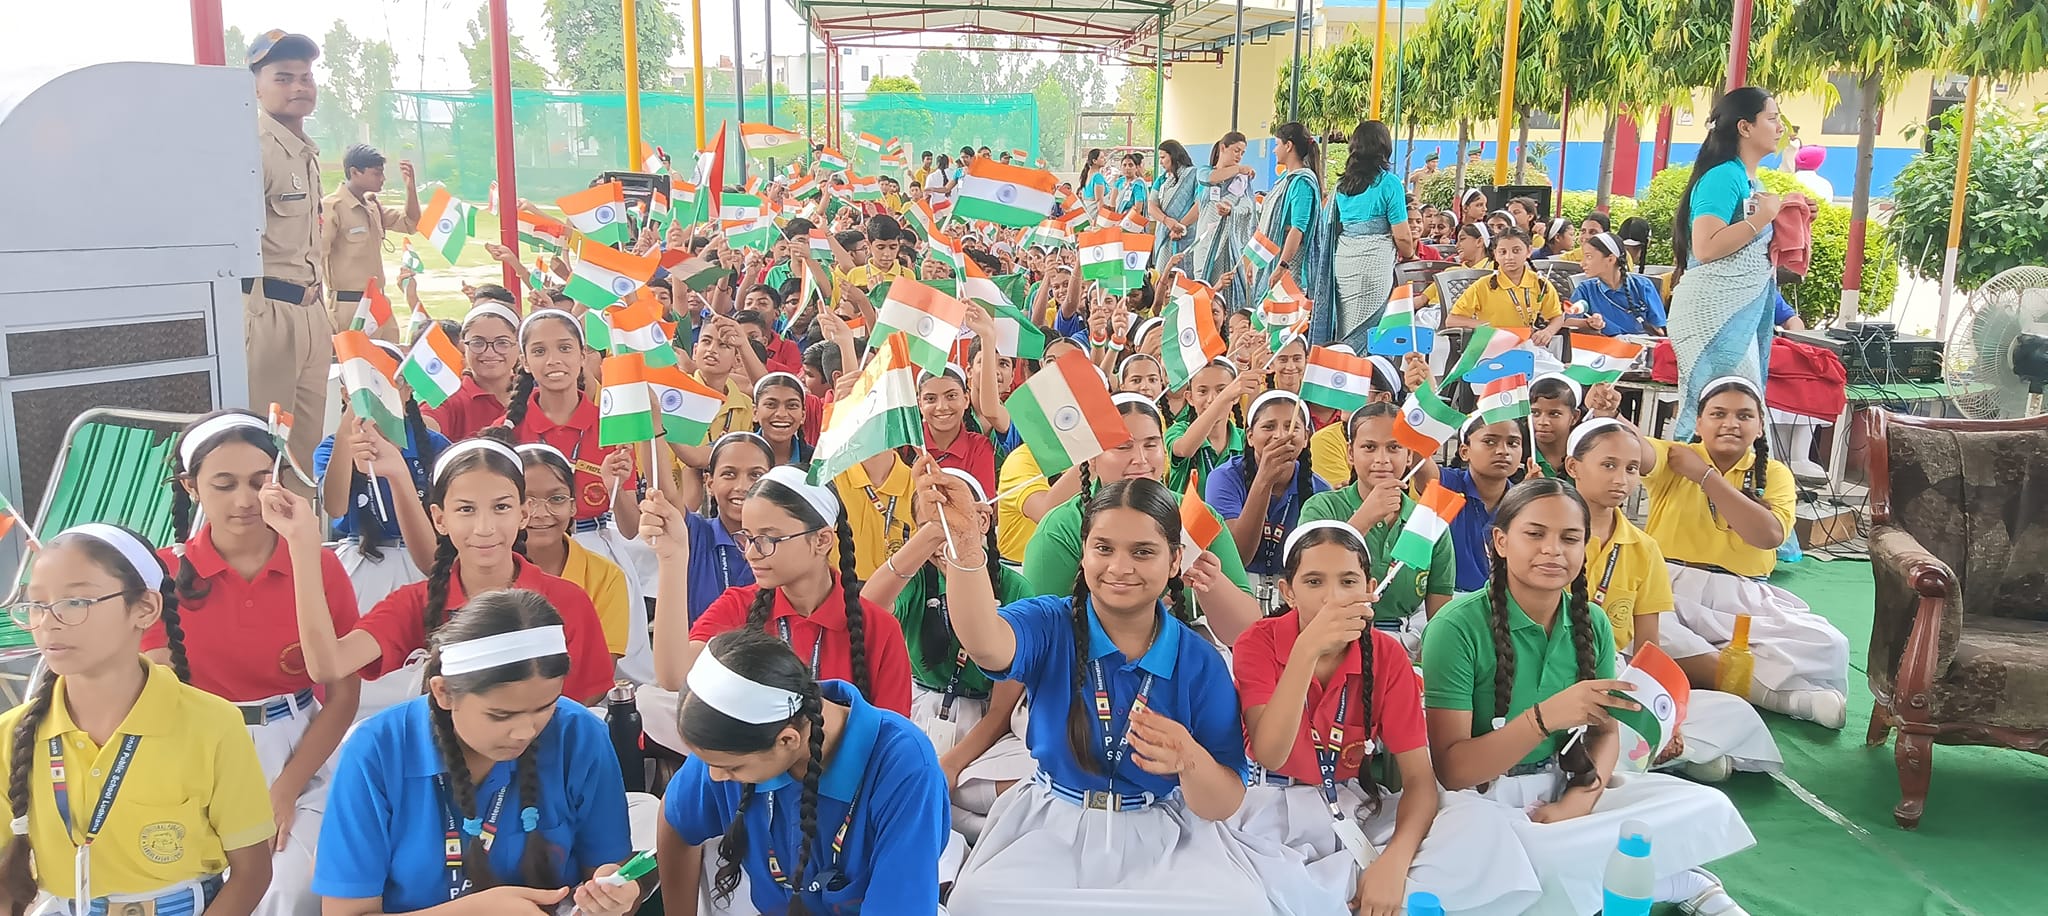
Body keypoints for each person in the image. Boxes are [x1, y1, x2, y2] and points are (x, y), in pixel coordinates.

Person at [931, 475, 1289, 914]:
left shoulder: (1200, 661)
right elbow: (986, 642)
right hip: (1051, 825)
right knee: (975, 901)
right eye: (1103, 548)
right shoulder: (1051, 623)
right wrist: (967, 548)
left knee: (1241, 906)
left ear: (1175, 560)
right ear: (1083, 553)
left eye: (1143, 552)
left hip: (1162, 832)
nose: (1120, 567)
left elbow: (1225, 801)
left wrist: (1190, 759)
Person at [1420, 479, 1755, 916]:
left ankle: (1626, 871)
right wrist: (1543, 718)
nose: (1552, 550)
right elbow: (1453, 771)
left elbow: (1605, 735)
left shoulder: (1592, 622)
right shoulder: (1456, 627)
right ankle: (1669, 880)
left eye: (1569, 538)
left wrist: (1579, 799)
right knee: (1520, 859)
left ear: (1585, 546)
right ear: (1500, 542)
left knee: (1704, 804)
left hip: (1566, 780)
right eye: (1535, 534)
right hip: (1481, 800)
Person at [1230, 522, 1540, 915]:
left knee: (1478, 822)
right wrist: (1306, 651)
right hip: (1267, 809)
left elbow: (1419, 781)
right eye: (1313, 582)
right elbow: (1271, 753)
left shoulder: (1386, 654)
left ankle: (1365, 890)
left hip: (1351, 806)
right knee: (1250, 895)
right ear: (1288, 592)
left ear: (1370, 589)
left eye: (1348, 582)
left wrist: (1394, 863)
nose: (1332, 597)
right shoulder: (1258, 641)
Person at [2, 523, 278, 915]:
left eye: (75, 601)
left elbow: (252, 872)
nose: (49, 621)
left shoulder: (212, 724)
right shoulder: (12, 733)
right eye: (36, 604)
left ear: (145, 608)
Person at [313, 592, 644, 916]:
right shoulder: (377, 751)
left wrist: (613, 900)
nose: (525, 731)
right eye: (501, 715)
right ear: (444, 692)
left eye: (545, 707)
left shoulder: (580, 736)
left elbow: (607, 876)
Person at [163, 412, 364, 915]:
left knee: (288, 888)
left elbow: (343, 696)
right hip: (197, 754)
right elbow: (154, 689)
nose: (245, 500)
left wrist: (285, 789)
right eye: (223, 484)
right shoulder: (163, 577)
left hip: (297, 749)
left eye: (259, 481)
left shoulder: (316, 563)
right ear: (191, 487)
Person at [277, 439, 618, 706]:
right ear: (440, 519)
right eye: (466, 509)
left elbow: (584, 700)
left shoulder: (567, 601)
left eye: (501, 507)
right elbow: (328, 665)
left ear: (523, 514)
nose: (485, 528)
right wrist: (302, 547)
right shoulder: (417, 603)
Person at [1609, 377, 1850, 728]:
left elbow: (1768, 536)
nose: (1730, 424)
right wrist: (1612, 415)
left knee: (1829, 643)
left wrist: (1706, 477)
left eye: (1744, 415)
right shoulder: (1677, 456)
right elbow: (1638, 449)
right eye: (1718, 414)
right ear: (1698, 423)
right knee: (1633, 624)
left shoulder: (1774, 474)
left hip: (1743, 597)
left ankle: (1697, 670)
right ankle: (1779, 696)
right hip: (1668, 586)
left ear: (1760, 426)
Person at [656, 629, 950, 914]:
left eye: (731, 767)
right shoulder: (733, 744)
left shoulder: (905, 767)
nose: (714, 777)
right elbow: (676, 821)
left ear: (788, 740)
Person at [1564, 419, 1783, 781]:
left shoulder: (1644, 548)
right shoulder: (1552, 538)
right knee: (1581, 726)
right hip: (1554, 675)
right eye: (1608, 465)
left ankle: (1659, 750)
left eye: (1631, 469)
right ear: (1573, 467)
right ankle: (1670, 756)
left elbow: (1648, 647)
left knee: (1734, 711)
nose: (1621, 479)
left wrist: (1665, 716)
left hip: (1613, 675)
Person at [647, 466, 914, 716]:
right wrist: (673, 558)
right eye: (747, 537)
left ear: (822, 540)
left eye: (767, 539)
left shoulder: (878, 629)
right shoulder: (739, 606)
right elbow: (674, 676)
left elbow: (892, 736)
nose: (751, 553)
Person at [1666, 86, 1786, 440]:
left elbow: (1748, 245)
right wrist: (1762, 218)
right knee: (1719, 410)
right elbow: (1705, 247)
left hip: (1734, 313)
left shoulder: (1750, 180)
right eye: (1772, 118)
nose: (1780, 127)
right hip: (1710, 314)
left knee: (1736, 412)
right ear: (1745, 127)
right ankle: (1694, 472)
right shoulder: (1723, 176)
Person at [245, 30, 330, 494]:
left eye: (306, 77)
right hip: (269, 312)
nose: (299, 86)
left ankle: (300, 535)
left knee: (303, 454)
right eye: (283, 78)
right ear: (256, 87)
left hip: (311, 310)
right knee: (264, 450)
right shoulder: (253, 150)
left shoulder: (303, 151)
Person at [1299, 403, 1455, 652]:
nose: (1382, 459)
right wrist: (1364, 518)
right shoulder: (1322, 507)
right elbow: (1311, 572)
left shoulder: (1429, 520)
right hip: (1332, 642)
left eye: (1394, 447)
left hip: (1406, 646)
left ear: (1409, 455)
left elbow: (1440, 616)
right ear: (1350, 453)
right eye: (1369, 447)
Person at [1204, 392, 1330, 609]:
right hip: (1238, 588)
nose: (1280, 435)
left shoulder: (1320, 489)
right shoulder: (1224, 478)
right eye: (1269, 426)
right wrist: (1264, 480)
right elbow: (1238, 556)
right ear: (1250, 436)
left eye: (1292, 427)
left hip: (1293, 595)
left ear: (1306, 437)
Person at [320, 144, 421, 344]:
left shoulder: (372, 206)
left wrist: (410, 188)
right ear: (354, 172)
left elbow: (411, 223)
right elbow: (316, 255)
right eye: (376, 173)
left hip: (379, 304)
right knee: (355, 360)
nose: (382, 178)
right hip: (350, 305)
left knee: (389, 357)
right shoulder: (333, 207)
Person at [1330, 121, 1415, 348]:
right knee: (1371, 327)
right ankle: (1367, 366)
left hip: (1344, 260)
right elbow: (1403, 237)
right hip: (1374, 264)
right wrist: (1410, 255)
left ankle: (1344, 361)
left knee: (1347, 322)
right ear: (1384, 147)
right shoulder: (1389, 183)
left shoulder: (1342, 185)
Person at [1446, 228, 1599, 348]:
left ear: (1529, 251)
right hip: (1492, 347)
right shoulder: (1483, 285)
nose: (1509, 257)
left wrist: (1548, 332)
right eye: (1502, 252)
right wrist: (1488, 327)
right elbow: (1452, 320)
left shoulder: (1540, 284)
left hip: (1529, 346)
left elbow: (1556, 316)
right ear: (1495, 254)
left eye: (1516, 251)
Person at [1257, 124, 1335, 341]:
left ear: (1288, 146)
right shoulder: (1285, 180)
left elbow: (1297, 228)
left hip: (1292, 267)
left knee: (1286, 329)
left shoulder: (1302, 183)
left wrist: (1282, 266)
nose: (1274, 150)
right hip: (1274, 259)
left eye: (1276, 144)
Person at [426, 304, 522, 440]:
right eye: (478, 343)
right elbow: (424, 426)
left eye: (502, 343)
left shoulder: (537, 396)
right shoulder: (448, 397)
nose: (489, 353)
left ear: (519, 346)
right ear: (463, 346)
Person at [1166, 358, 1257, 494]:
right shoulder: (1179, 430)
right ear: (1190, 398)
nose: (1211, 399)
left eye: (1221, 390)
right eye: (1203, 391)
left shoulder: (1245, 439)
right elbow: (1185, 450)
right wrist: (1223, 398)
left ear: (1236, 397)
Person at [1188, 132, 1258, 305]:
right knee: (1203, 288)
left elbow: (1249, 207)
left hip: (1229, 244)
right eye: (1236, 150)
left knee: (1226, 292)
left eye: (1242, 153)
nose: (1239, 156)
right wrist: (1239, 169)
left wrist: (1232, 211)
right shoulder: (1205, 172)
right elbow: (1210, 179)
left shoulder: (1242, 180)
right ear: (1223, 148)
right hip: (1204, 241)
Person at [1570, 232, 1668, 336]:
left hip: (1641, 344)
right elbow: (1567, 321)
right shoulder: (1585, 289)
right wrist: (1588, 323)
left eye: (1589, 257)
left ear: (1611, 259)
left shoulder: (1643, 286)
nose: (1582, 263)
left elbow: (1660, 330)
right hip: (1602, 345)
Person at [1150, 141, 1201, 264]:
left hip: (1187, 234)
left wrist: (1179, 227)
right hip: (1165, 233)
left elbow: (1199, 205)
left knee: (1184, 272)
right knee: (1163, 270)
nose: (1160, 162)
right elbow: (1152, 206)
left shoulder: (1193, 175)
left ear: (1173, 155)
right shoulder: (1161, 179)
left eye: (1163, 157)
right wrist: (1167, 221)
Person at [1526, 374, 1584, 480]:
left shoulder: (1585, 457)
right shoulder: (1517, 457)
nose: (1543, 422)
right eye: (1535, 413)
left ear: (1574, 417)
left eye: (1554, 414)